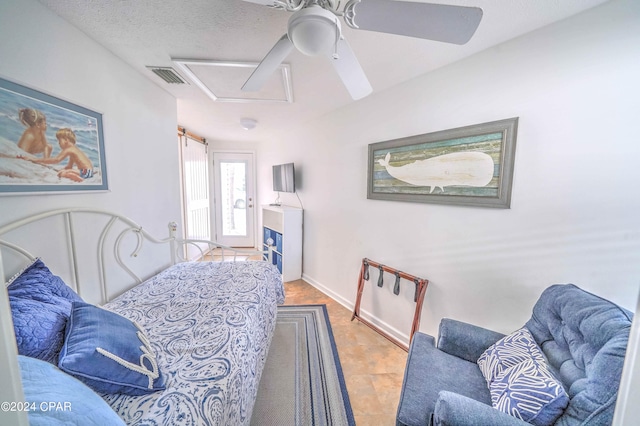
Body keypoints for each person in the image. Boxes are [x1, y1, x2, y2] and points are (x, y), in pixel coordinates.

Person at [26, 128, 94, 183]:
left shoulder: (69, 149)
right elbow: (69, 166)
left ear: (66, 140)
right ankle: (80, 178)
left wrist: (35, 159)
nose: (59, 144)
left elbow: (56, 160)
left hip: (86, 172)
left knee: (62, 174)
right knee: (65, 171)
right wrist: (67, 168)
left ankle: (80, 180)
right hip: (89, 172)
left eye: (59, 141)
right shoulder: (74, 149)